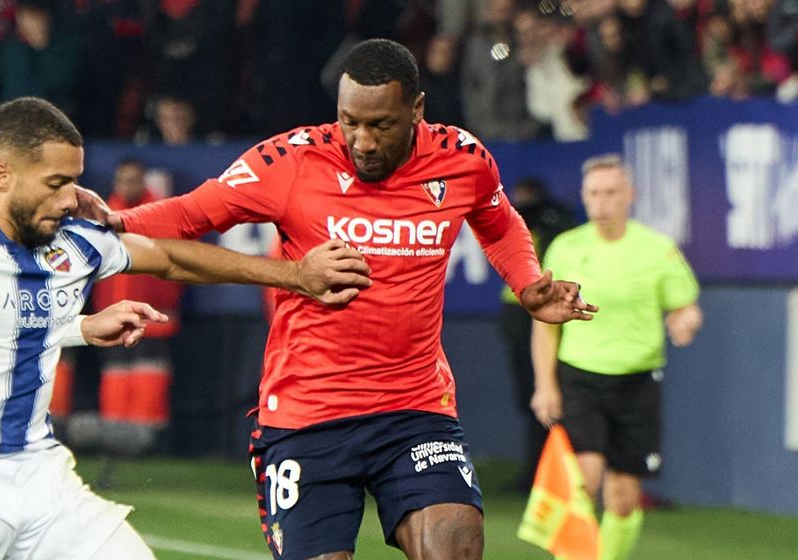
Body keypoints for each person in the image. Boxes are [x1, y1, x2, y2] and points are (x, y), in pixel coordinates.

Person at [88, 38, 597, 559]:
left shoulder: (462, 159)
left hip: (414, 406)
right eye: (350, 121)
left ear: (417, 110)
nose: (363, 141)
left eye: (381, 125)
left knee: (456, 547)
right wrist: (116, 221)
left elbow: (499, 221)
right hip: (308, 416)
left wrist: (527, 282)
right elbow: (193, 214)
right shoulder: (291, 159)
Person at [0, 96, 372, 559]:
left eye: (75, 181)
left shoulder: (73, 243)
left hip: (40, 476)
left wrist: (294, 275)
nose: (71, 198)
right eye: (56, 182)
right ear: (3, 175)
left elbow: (173, 259)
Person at [530, 154, 702, 560]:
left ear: (630, 195)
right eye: (593, 194)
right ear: (583, 198)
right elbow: (545, 324)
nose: (601, 203)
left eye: (610, 193)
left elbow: (686, 304)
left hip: (638, 380)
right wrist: (544, 383)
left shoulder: (657, 249)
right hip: (581, 376)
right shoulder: (566, 248)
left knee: (623, 497)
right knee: (584, 480)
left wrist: (686, 322)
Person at [91, 158, 183, 483]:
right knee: (115, 392)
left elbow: (176, 265)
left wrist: (165, 307)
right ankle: (113, 464)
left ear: (142, 181)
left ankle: (148, 464)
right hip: (115, 322)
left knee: (148, 394)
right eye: (122, 179)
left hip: (154, 322)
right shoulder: (101, 217)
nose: (127, 185)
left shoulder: (157, 215)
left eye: (133, 180)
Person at [497, 177, 574, 492]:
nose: (521, 202)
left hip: (542, 309)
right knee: (532, 398)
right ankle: (537, 474)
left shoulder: (551, 225)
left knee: (548, 394)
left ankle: (548, 476)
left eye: (526, 197)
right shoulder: (514, 222)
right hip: (518, 314)